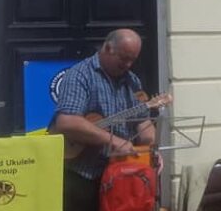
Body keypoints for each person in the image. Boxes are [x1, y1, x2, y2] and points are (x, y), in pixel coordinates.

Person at [51, 29, 157, 211]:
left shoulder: (132, 81)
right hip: (84, 175)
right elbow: (67, 121)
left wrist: (150, 148)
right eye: (124, 58)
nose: (128, 64)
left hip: (122, 174)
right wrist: (112, 140)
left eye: (133, 59)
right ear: (108, 48)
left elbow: (142, 122)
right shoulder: (80, 75)